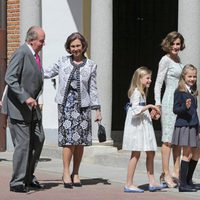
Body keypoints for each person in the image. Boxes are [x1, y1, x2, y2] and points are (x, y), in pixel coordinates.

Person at [44, 32, 102, 189]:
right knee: (69, 141)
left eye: (78, 46)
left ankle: (76, 173)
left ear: (83, 46)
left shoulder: (91, 65)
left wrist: (97, 109)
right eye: (72, 46)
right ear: (69, 48)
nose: (76, 48)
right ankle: (65, 172)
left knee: (80, 142)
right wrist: (30, 72)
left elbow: (93, 88)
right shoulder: (62, 61)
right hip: (66, 106)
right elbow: (47, 72)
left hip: (83, 106)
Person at [1, 26, 45, 192]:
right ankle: (17, 182)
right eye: (41, 40)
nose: (43, 43)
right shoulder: (21, 53)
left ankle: (28, 176)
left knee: (39, 140)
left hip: (33, 109)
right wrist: (25, 97)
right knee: (23, 145)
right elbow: (10, 78)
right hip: (19, 108)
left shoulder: (34, 55)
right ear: (31, 40)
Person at [122, 67, 163, 193]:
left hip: (143, 125)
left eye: (150, 78)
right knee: (136, 153)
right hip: (137, 128)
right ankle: (128, 183)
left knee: (151, 152)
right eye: (148, 78)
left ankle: (152, 181)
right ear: (139, 79)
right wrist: (150, 106)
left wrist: (151, 113)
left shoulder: (142, 92)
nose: (150, 80)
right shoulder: (136, 92)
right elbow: (135, 111)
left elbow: (141, 110)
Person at [153, 31, 185, 187]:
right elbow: (158, 83)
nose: (175, 46)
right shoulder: (165, 60)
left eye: (178, 43)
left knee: (177, 140)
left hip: (179, 102)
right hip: (168, 102)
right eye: (172, 43)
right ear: (167, 44)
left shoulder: (179, 60)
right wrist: (157, 104)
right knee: (167, 140)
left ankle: (176, 173)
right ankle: (165, 174)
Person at [172, 64, 200, 192]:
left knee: (196, 153)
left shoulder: (193, 92)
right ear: (184, 76)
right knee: (187, 154)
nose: (192, 79)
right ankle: (183, 184)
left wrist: (198, 130)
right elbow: (175, 109)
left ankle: (188, 180)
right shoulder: (180, 91)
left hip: (193, 126)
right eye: (190, 76)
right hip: (184, 126)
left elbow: (195, 113)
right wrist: (185, 107)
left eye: (194, 76)